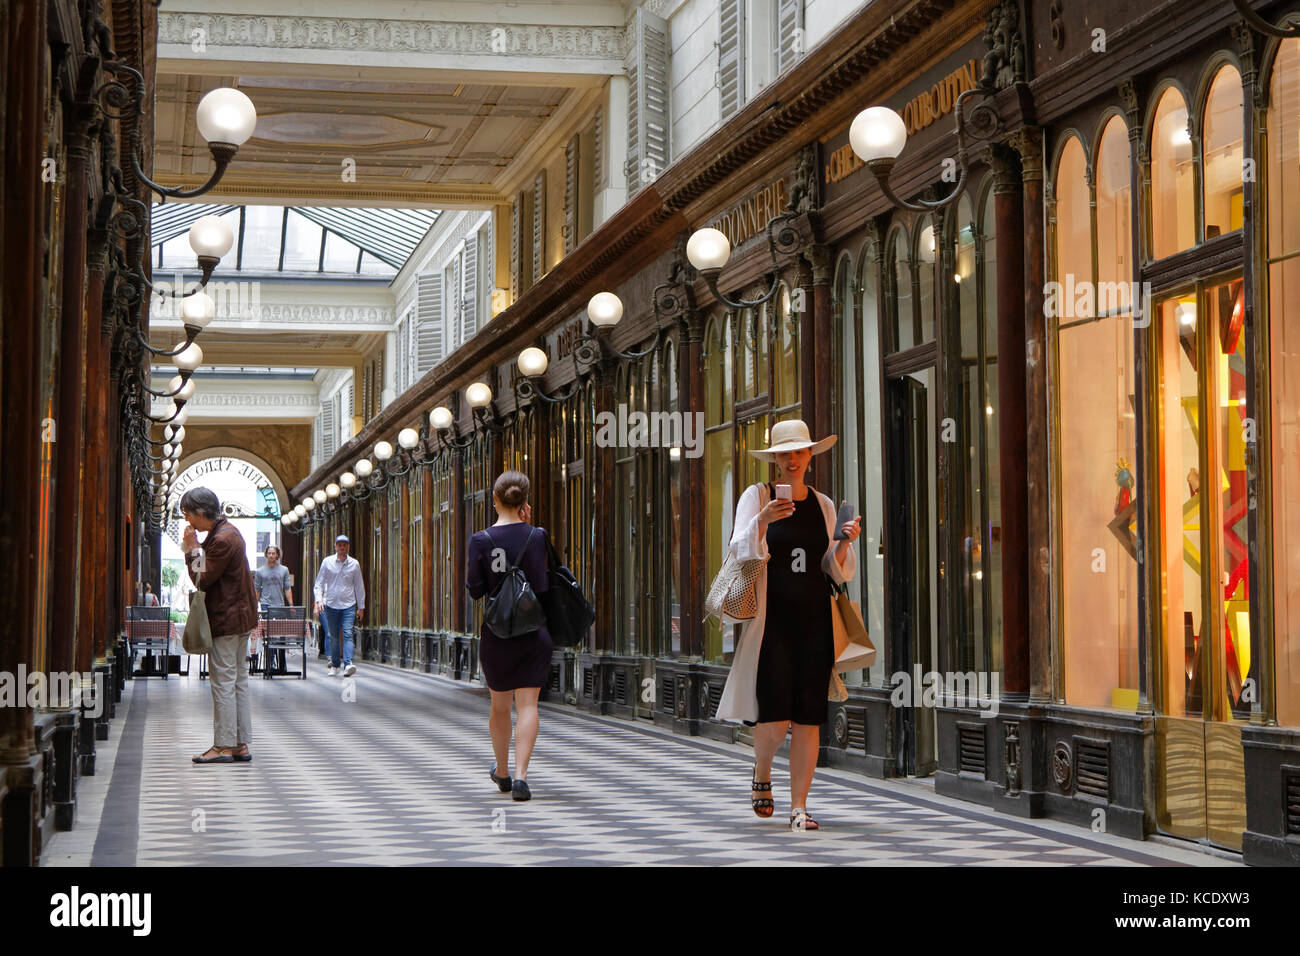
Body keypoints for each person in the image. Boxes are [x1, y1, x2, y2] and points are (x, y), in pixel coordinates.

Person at [715, 419, 861, 830]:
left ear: (810, 457)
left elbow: (833, 569)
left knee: (809, 717)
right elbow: (738, 551)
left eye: (799, 452)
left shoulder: (824, 505)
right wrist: (763, 519)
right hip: (771, 625)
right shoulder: (757, 496)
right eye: (784, 453)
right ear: (775, 460)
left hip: (815, 623)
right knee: (775, 716)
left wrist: (845, 542)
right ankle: (762, 769)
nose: (792, 460)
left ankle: (800, 806)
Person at [465, 471, 550, 802]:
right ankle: (521, 777)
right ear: (525, 502)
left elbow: (475, 590)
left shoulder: (480, 540)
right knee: (528, 704)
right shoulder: (537, 536)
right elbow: (543, 586)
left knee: (500, 705)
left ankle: (501, 770)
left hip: (497, 633)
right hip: (533, 631)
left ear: (494, 499)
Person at [180, 487, 259, 764]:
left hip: (228, 619)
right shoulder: (227, 533)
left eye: (189, 514)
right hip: (239, 618)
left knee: (224, 682)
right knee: (238, 681)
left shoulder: (223, 539)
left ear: (202, 512)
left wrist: (191, 549)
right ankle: (239, 744)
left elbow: (203, 578)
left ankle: (224, 746)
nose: (188, 521)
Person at [314, 535, 364, 677]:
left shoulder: (354, 564)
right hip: (331, 605)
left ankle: (348, 664)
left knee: (348, 634)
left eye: (344, 545)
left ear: (348, 547)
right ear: (335, 546)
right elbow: (318, 584)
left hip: (348, 605)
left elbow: (359, 586)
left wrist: (361, 607)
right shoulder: (327, 562)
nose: (342, 547)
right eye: (339, 545)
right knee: (334, 636)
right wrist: (319, 601)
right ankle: (335, 665)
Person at [254, 545, 293, 674]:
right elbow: (257, 590)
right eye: (269, 553)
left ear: (277, 555)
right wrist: (256, 605)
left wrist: (291, 604)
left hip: (280, 605)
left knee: (281, 634)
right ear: (266, 555)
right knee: (269, 634)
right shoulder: (259, 571)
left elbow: (287, 588)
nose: (271, 555)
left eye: (273, 553)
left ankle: (282, 663)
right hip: (266, 604)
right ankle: (270, 661)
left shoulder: (284, 570)